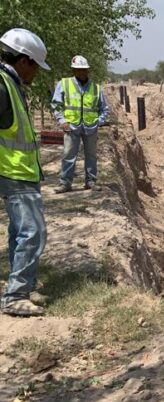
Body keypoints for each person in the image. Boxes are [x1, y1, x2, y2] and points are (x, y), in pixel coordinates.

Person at [0, 29, 50, 317]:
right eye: (36, 67)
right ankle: (16, 295)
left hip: (20, 171)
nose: (37, 74)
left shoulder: (10, 84)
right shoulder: (3, 86)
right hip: (14, 172)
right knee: (33, 232)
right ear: (24, 61)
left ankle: (23, 285)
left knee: (20, 231)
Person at [52, 55, 109, 192]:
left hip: (90, 127)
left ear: (88, 70)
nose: (81, 72)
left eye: (84, 70)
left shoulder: (95, 88)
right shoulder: (64, 84)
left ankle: (91, 181)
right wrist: (62, 121)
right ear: (74, 70)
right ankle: (65, 183)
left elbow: (104, 109)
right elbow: (56, 104)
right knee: (68, 155)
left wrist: (99, 122)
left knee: (91, 156)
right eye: (78, 70)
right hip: (71, 126)